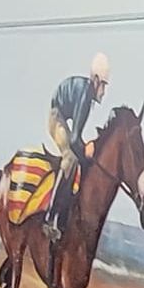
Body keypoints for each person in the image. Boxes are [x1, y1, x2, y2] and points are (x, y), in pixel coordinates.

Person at [43, 53, 109, 242]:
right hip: (56, 117)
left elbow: (76, 136)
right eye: (103, 85)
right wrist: (85, 151)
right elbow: (74, 140)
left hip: (64, 118)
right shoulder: (86, 94)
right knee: (71, 158)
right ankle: (49, 217)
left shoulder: (87, 94)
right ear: (95, 80)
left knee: (79, 158)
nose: (104, 91)